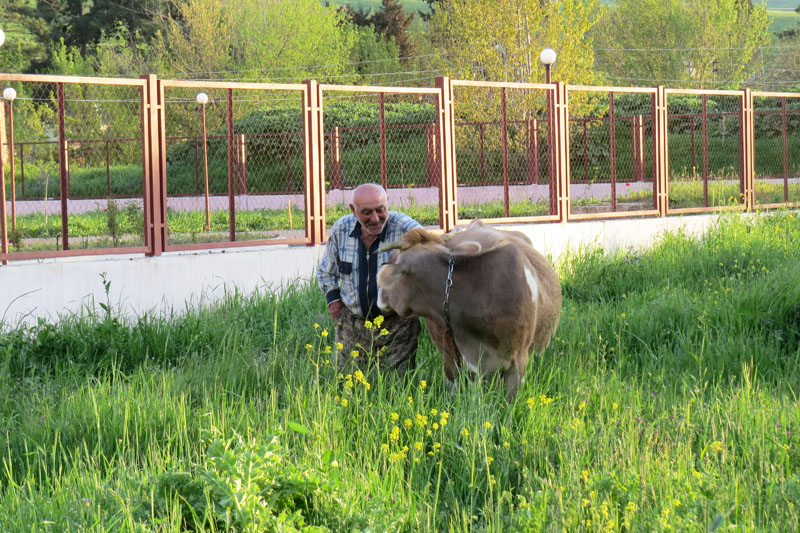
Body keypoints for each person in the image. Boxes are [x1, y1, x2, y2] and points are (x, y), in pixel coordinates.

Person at [317, 183, 422, 374]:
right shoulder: (341, 229)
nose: (375, 218)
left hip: (397, 326)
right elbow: (326, 272)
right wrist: (334, 302)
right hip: (352, 324)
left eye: (380, 210)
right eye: (367, 213)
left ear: (387, 204)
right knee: (348, 383)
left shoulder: (406, 229)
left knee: (397, 385)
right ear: (353, 210)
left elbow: (438, 255)